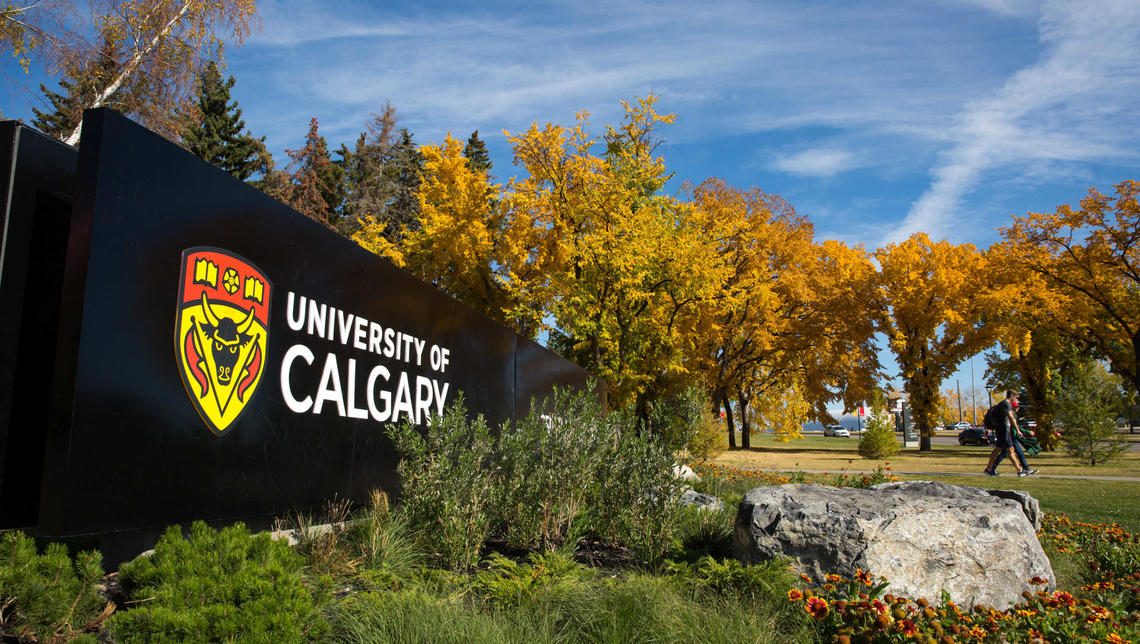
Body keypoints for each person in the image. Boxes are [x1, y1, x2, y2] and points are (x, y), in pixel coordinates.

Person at [983, 390, 1033, 476]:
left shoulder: (1001, 404)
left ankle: (989, 469)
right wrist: (1017, 430)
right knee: (1010, 450)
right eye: (1015, 398)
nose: (1016, 400)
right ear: (1012, 395)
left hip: (1000, 430)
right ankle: (1020, 470)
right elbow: (1010, 417)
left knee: (998, 450)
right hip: (1004, 430)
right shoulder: (1007, 404)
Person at [991, 397, 1039, 476]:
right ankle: (1024, 469)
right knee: (1011, 453)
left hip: (1011, 436)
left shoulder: (1012, 414)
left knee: (1009, 453)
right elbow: (1014, 426)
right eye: (1016, 406)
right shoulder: (1010, 414)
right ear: (1012, 407)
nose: (1018, 408)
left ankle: (1025, 469)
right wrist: (1026, 432)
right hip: (1009, 436)